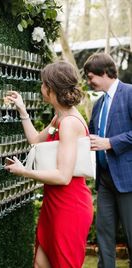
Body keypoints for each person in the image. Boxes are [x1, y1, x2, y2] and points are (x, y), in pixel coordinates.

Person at [5, 60, 93, 268]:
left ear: (51, 88)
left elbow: (63, 176)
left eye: (43, 83)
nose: (41, 87)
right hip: (53, 203)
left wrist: (24, 171)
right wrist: (22, 111)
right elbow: (35, 140)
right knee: (40, 264)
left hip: (69, 206)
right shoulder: (59, 118)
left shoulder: (70, 123)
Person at [84, 52, 132, 268]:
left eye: (90, 76)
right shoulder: (98, 104)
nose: (88, 81)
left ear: (104, 73)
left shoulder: (130, 93)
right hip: (104, 181)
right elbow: (91, 137)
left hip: (128, 180)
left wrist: (110, 142)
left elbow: (105, 140)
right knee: (104, 239)